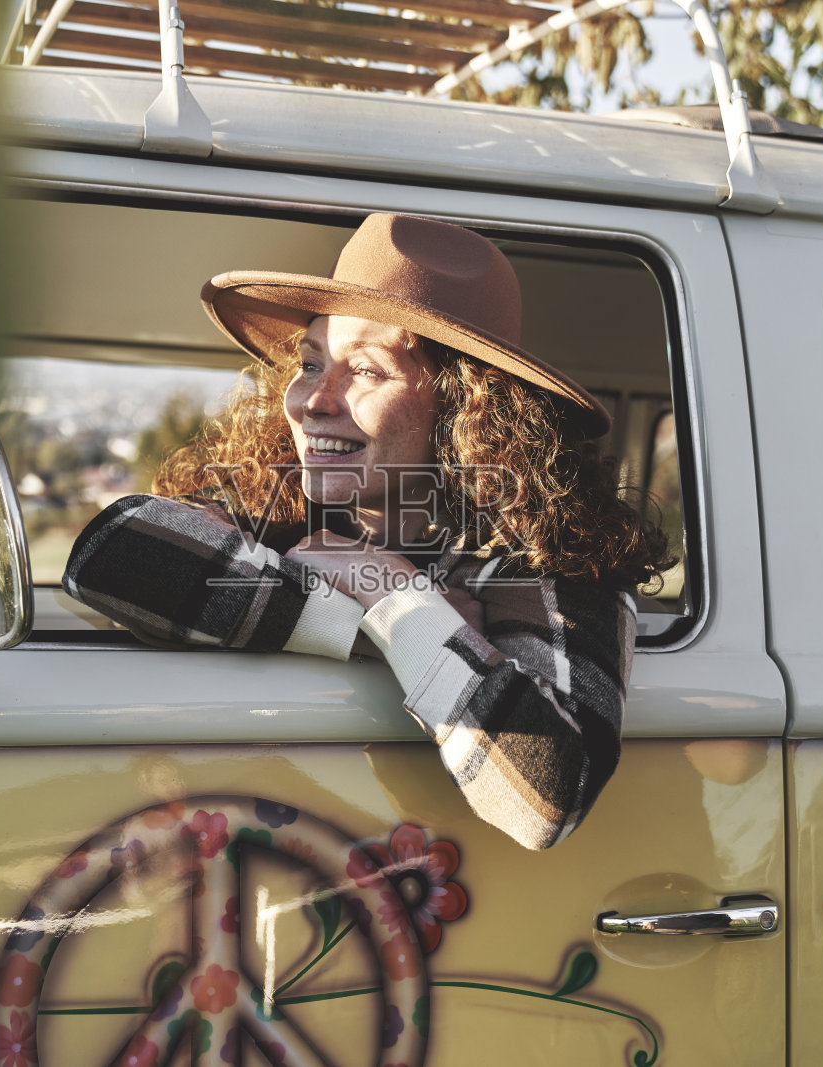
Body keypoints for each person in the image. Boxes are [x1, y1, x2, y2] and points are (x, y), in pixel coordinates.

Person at [64, 214, 672, 849]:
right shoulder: (273, 507)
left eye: (368, 371)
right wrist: (378, 627)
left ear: (468, 408)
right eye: (309, 362)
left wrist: (395, 597)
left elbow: (548, 795)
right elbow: (108, 553)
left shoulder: (548, 559)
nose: (313, 401)